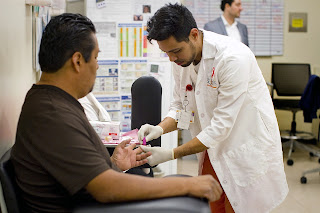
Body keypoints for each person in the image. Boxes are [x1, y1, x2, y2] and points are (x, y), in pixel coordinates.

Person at [10, 13, 222, 212]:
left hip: (89, 204)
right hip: (89, 208)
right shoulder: (51, 114)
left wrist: (115, 165)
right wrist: (186, 186)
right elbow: (105, 188)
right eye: (95, 58)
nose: (97, 66)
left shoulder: (55, 102)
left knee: (181, 184)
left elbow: (83, 174)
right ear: (77, 61)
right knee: (185, 190)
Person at [138, 3, 288, 213]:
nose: (171, 59)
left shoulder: (233, 59)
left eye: (175, 51)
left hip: (243, 146)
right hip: (211, 146)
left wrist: (171, 153)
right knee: (213, 205)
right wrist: (160, 128)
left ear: (194, 35)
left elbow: (221, 127)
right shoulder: (180, 59)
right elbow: (182, 106)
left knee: (239, 206)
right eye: (166, 53)